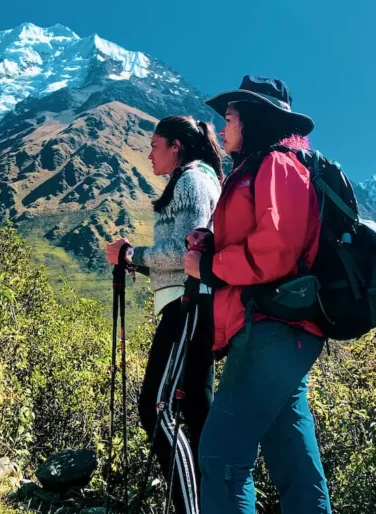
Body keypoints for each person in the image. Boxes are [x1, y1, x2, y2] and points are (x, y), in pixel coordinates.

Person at [184, 76, 332, 513]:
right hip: (280, 331)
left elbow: (276, 251)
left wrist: (209, 266)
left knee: (221, 454)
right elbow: (263, 242)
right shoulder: (258, 169)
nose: (222, 128)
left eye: (229, 118)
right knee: (294, 464)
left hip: (270, 329)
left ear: (253, 119)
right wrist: (212, 244)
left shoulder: (278, 165)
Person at [105, 116, 222, 514]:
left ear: (177, 146)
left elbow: (185, 254)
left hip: (187, 304)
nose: (149, 153)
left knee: (156, 408)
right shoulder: (200, 179)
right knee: (195, 411)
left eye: (155, 145)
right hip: (197, 304)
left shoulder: (190, 180)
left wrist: (129, 255)